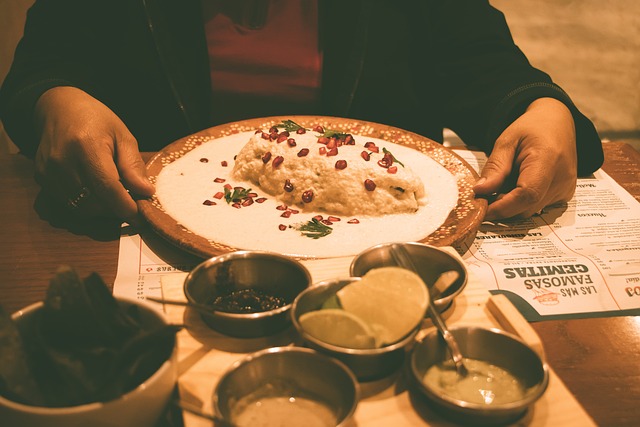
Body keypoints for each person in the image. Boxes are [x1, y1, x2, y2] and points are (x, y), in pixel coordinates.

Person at [0, 0, 604, 225]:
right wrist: (55, 100)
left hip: (386, 253)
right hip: (151, 235)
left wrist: (539, 106)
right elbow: (41, 72)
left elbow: (487, 65)